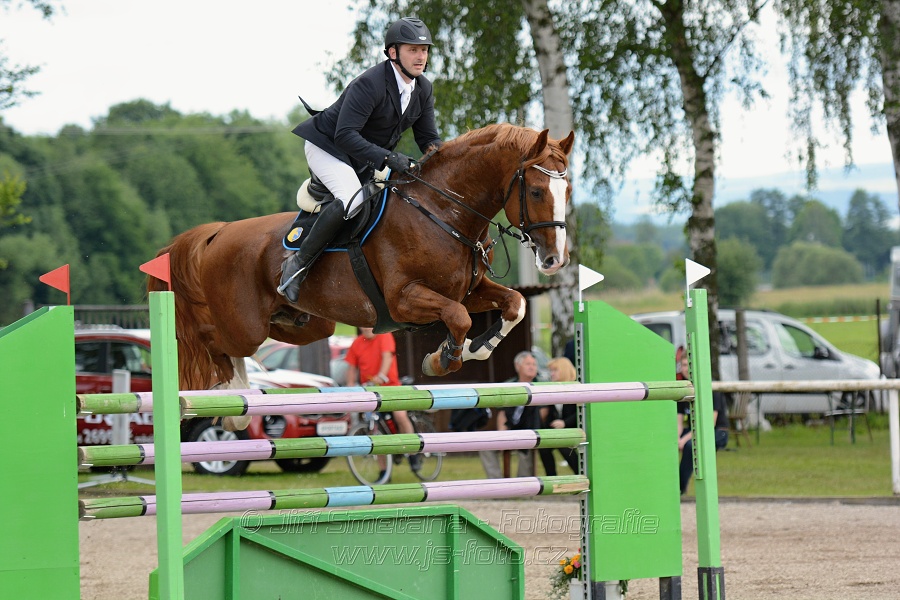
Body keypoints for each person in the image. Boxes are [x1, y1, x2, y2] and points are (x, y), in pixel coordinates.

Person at [278, 16, 443, 302]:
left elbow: (428, 139)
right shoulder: (370, 84)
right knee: (351, 200)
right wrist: (388, 157)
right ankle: (296, 265)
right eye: (413, 50)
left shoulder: (423, 89)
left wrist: (448, 162)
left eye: (424, 50)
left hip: (363, 156)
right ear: (393, 53)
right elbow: (344, 135)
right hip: (328, 147)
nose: (420, 57)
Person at [344, 328, 419, 472]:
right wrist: (350, 386)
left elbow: (387, 357)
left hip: (391, 387)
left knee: (400, 416)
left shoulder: (384, 335)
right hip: (371, 392)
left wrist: (381, 376)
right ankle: (383, 470)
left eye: (369, 325)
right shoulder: (356, 343)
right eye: (363, 325)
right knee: (374, 429)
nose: (366, 328)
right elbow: (351, 368)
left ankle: (413, 453)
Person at [480, 351, 542, 478]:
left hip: (531, 431)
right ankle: (498, 483)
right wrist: (502, 435)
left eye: (534, 364)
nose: (532, 367)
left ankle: (523, 485)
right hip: (511, 428)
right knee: (484, 445)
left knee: (527, 448)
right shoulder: (509, 385)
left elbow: (543, 413)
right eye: (528, 364)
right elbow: (502, 412)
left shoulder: (541, 385)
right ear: (518, 366)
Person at [676, 351, 730, 495]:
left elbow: (709, 424)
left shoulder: (710, 387)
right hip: (695, 430)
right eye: (683, 365)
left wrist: (684, 440)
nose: (686, 368)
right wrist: (677, 439)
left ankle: (679, 488)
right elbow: (679, 422)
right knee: (670, 443)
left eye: (689, 365)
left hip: (717, 431)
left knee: (690, 446)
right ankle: (668, 484)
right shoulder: (683, 389)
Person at [538, 356, 580, 475]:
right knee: (544, 446)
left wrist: (564, 423)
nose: (551, 374)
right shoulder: (553, 389)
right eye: (551, 371)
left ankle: (580, 474)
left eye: (555, 370)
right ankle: (551, 478)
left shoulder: (576, 388)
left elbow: (580, 413)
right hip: (560, 431)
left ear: (564, 370)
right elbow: (552, 415)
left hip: (575, 429)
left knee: (563, 446)